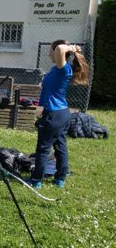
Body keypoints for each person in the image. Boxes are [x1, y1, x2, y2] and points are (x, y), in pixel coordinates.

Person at [28, 40, 89, 188]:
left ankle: (36, 181)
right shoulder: (58, 69)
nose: (49, 53)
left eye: (51, 50)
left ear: (58, 53)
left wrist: (72, 48)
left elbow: (61, 48)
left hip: (54, 115)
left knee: (43, 148)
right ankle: (60, 178)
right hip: (61, 114)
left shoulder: (63, 68)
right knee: (60, 145)